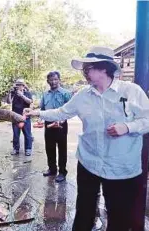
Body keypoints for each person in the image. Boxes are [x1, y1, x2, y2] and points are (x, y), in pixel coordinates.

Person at [24, 46, 149, 231]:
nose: (84, 73)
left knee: (117, 214)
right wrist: (35, 112)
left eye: (88, 68)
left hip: (120, 166)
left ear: (104, 68)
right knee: (84, 208)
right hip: (88, 161)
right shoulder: (83, 95)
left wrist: (127, 127)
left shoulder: (131, 91)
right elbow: (62, 112)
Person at [40, 71, 72, 183]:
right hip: (48, 124)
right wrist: (40, 120)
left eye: (55, 79)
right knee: (49, 148)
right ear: (48, 81)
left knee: (62, 148)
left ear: (59, 80)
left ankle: (62, 172)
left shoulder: (66, 93)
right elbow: (42, 109)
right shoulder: (45, 94)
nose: (53, 82)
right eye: (51, 80)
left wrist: (62, 120)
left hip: (61, 125)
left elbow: (70, 110)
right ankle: (52, 169)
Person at [8, 79, 33, 155]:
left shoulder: (27, 93)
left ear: (23, 85)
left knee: (27, 134)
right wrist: (10, 93)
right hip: (15, 117)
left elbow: (30, 101)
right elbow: (9, 102)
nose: (19, 86)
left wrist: (22, 95)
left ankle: (28, 149)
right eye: (17, 84)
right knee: (16, 134)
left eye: (20, 84)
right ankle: (15, 149)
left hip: (25, 117)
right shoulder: (13, 93)